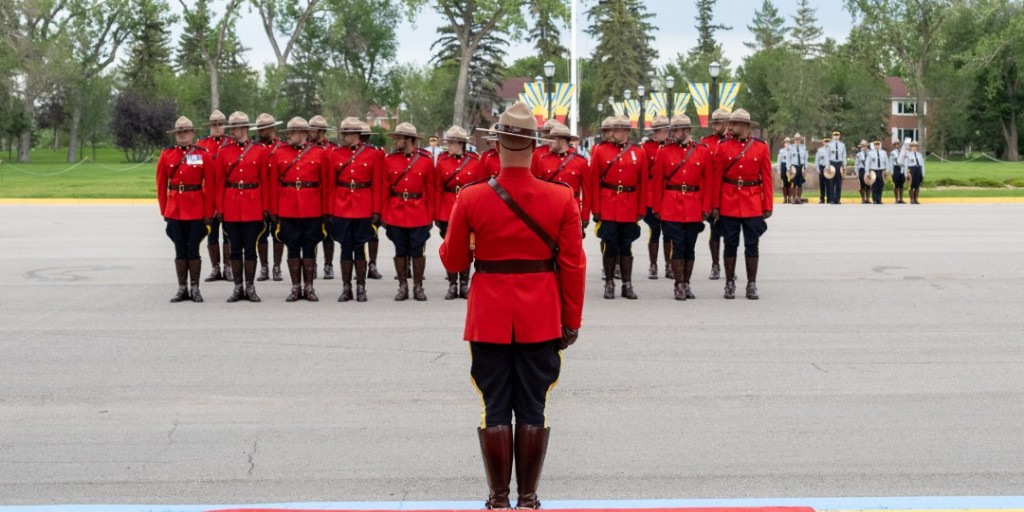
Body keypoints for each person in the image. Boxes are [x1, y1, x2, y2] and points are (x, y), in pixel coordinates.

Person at [439, 101, 585, 511]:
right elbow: (574, 266)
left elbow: (453, 262)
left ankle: (499, 500)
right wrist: (571, 321)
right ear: (535, 148)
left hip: (489, 316)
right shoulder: (560, 197)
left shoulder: (471, 197)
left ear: (496, 145)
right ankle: (528, 499)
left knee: (495, 406)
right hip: (541, 316)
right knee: (534, 406)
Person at [710, 109, 773, 300]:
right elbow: (716, 178)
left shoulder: (761, 147)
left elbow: (767, 178)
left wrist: (767, 205)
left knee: (752, 244)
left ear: (745, 126)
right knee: (730, 243)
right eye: (730, 123)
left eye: (734, 123)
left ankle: (751, 284)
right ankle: (729, 282)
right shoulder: (723, 146)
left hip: (752, 201)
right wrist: (715, 205)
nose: (731, 127)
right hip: (729, 201)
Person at [268, 117, 331, 302]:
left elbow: (326, 184)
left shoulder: (320, 153)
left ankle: (309, 287)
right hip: (288, 207)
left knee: (310, 245)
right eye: (288, 132)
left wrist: (326, 211)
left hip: (312, 206)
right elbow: (273, 184)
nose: (289, 136)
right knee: (292, 245)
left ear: (304, 133)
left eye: (292, 132)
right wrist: (274, 211)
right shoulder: (279, 153)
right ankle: (296, 287)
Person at [651, 114, 712, 301]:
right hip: (672, 205)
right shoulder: (664, 152)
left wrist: (706, 207)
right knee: (677, 246)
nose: (674, 133)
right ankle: (678, 284)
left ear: (687, 130)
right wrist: (657, 208)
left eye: (677, 130)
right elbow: (657, 182)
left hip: (693, 205)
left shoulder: (702, 151)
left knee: (690, 248)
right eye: (673, 130)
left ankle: (686, 283)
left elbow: (708, 182)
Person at [156, 116, 215, 303]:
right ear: (175, 135)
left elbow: (210, 185)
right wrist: (164, 210)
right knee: (180, 250)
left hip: (196, 208)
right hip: (175, 209)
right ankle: (182, 288)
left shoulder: (202, 154)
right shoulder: (167, 154)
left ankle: (195, 288)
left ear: (192, 133)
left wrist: (208, 213)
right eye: (179, 132)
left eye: (186, 131)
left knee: (194, 250)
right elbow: (161, 184)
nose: (182, 135)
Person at [590, 114, 647, 300]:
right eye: (611, 130)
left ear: (626, 132)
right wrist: (596, 208)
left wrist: (641, 209)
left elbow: (643, 183)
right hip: (608, 204)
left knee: (626, 246)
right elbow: (594, 181)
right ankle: (609, 283)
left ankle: (627, 284)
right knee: (610, 245)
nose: (612, 133)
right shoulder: (600, 150)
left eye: (616, 130)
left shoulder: (638, 152)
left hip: (629, 204)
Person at [325, 117, 382, 303]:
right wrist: (330, 211)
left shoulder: (372, 154)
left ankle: (361, 287)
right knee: (345, 246)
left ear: (356, 135)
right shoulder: (335, 154)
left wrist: (376, 210)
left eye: (346, 134)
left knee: (359, 246)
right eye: (342, 133)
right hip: (341, 206)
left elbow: (377, 184)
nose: (342, 137)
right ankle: (346, 287)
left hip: (363, 205)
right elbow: (330, 185)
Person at [216, 112, 270, 303]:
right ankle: (238, 287)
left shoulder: (260, 150)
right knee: (235, 249)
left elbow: (264, 180)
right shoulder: (224, 151)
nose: (233, 131)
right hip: (231, 205)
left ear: (245, 129)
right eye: (231, 128)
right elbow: (219, 182)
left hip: (252, 204)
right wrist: (220, 209)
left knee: (250, 248)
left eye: (236, 128)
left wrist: (266, 207)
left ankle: (250, 286)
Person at [381, 122, 436, 301]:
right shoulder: (389, 160)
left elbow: (430, 190)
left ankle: (418, 287)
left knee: (418, 250)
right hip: (396, 210)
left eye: (399, 138)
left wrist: (430, 215)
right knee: (400, 250)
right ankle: (402, 286)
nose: (396, 141)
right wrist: (384, 214)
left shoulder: (426, 161)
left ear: (409, 139)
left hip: (418, 211)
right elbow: (384, 189)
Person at [434, 126, 483, 300]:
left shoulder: (475, 161)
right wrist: (437, 214)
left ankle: (463, 285)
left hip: (467, 208)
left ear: (461, 144)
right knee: (450, 247)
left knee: (467, 246)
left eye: (452, 143)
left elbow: (479, 188)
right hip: (447, 208)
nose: (448, 146)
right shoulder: (442, 161)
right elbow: (438, 189)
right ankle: (452, 284)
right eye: (448, 143)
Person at [534, 123, 591, 238]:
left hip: (572, 210)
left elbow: (587, 192)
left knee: (572, 243)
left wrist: (585, 216)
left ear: (562, 141)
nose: (549, 142)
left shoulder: (581, 162)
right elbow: (538, 189)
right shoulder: (543, 160)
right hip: (550, 209)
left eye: (552, 139)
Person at [197, 109, 233, 282]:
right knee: (211, 232)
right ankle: (215, 268)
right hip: (209, 196)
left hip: (227, 195)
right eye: (213, 124)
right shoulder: (201, 144)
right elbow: (195, 167)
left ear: (225, 126)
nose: (216, 127)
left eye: (219, 124)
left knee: (228, 233)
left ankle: (228, 267)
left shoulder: (231, 143)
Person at [700, 108, 732, 279]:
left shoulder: (734, 141)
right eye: (713, 123)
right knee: (714, 230)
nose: (714, 126)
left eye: (717, 123)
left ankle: (729, 267)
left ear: (727, 123)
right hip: (713, 192)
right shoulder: (706, 142)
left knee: (730, 233)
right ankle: (715, 264)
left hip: (729, 193)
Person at [253, 113, 285, 281]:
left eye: (263, 128)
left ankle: (277, 266)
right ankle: (264, 267)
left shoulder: (283, 147)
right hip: (259, 196)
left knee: (278, 232)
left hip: (279, 196)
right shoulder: (254, 147)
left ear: (272, 128)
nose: (259, 131)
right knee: (261, 233)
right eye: (258, 128)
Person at [641, 115, 671, 279]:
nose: (654, 133)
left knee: (669, 231)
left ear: (666, 131)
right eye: (653, 130)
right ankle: (653, 265)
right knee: (654, 229)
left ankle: (669, 264)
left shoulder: (672, 146)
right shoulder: (646, 148)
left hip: (668, 193)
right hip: (651, 193)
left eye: (657, 130)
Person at [309, 115, 338, 280]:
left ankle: (328, 264)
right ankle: (312, 264)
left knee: (328, 233)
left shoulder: (333, 149)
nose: (309, 132)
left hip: (328, 195)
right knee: (312, 233)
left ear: (321, 131)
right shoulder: (306, 148)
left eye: (312, 129)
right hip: (312, 195)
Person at [358, 121, 387, 279]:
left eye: (365, 136)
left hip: (372, 196)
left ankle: (372, 264)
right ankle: (361, 264)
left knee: (373, 233)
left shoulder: (377, 152)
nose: (364, 139)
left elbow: (381, 178)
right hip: (358, 199)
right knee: (358, 234)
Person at [864, 139, 888, 204]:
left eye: (878, 145)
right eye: (875, 145)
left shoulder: (883, 152)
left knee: (880, 185)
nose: (877, 146)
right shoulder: (870, 153)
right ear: (874, 145)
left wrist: (887, 171)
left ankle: (879, 200)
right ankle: (874, 200)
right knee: (874, 186)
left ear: (879, 145)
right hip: (873, 171)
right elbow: (867, 163)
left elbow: (886, 162)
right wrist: (867, 172)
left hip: (881, 171)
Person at [787, 133, 808, 204]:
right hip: (793, 167)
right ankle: (793, 199)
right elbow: (788, 159)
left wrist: (806, 167)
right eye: (796, 139)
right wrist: (788, 168)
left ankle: (798, 198)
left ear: (800, 140)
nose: (797, 140)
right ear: (794, 140)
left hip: (801, 167)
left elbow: (805, 159)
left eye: (798, 139)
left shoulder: (804, 147)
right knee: (793, 183)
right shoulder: (790, 147)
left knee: (800, 183)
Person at [815, 137, 830, 204]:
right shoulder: (819, 150)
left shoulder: (831, 150)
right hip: (822, 167)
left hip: (829, 168)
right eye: (825, 141)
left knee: (829, 184)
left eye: (827, 141)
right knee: (822, 184)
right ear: (823, 142)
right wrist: (817, 169)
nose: (826, 143)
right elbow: (817, 160)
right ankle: (822, 199)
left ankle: (829, 199)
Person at [777, 137, 791, 204]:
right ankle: (785, 198)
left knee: (790, 182)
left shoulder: (792, 151)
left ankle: (790, 197)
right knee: (784, 182)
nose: (787, 144)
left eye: (788, 142)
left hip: (790, 168)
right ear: (784, 144)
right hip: (783, 166)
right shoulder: (781, 151)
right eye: (786, 143)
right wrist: (779, 170)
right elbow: (779, 161)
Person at [855, 140, 869, 204]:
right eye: (863, 146)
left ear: (867, 146)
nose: (864, 147)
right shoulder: (858, 154)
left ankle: (867, 199)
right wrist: (857, 173)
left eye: (865, 146)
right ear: (861, 147)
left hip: (868, 170)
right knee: (862, 185)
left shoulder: (870, 154)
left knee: (868, 184)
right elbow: (856, 164)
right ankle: (863, 199)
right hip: (862, 170)